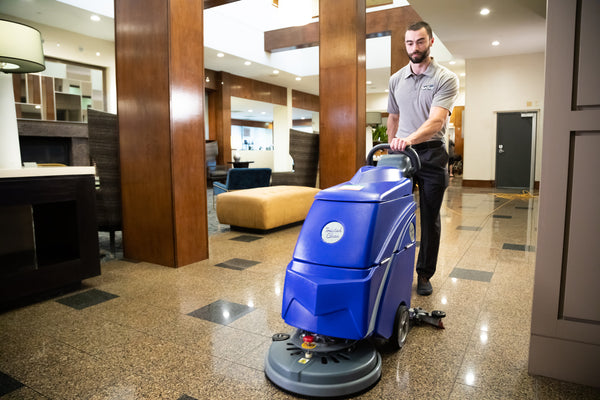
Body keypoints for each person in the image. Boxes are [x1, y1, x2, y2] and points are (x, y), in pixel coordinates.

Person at [387, 21, 459, 296]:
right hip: (402, 155)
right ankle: (393, 268)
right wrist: (393, 148)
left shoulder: (445, 78)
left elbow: (436, 120)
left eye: (419, 41)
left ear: (430, 42)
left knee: (429, 217)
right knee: (393, 214)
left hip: (431, 154)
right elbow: (393, 118)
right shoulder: (396, 79)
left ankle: (424, 273)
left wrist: (409, 139)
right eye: (409, 43)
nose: (414, 47)